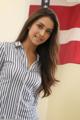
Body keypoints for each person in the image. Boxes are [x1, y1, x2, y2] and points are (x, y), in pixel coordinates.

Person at [0, 7, 59, 120]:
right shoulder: (5, 49)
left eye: (48, 31)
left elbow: (34, 102)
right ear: (29, 25)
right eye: (40, 26)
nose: (42, 34)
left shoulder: (43, 64)